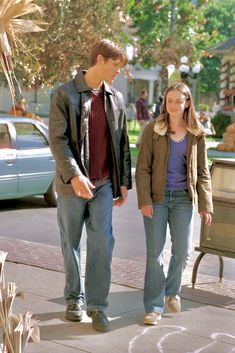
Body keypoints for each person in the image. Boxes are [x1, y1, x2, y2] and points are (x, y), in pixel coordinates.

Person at [49, 39, 132, 332]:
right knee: (70, 243)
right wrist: (74, 175)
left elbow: (121, 143)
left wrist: (123, 182)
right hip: (72, 185)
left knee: (102, 245)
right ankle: (74, 299)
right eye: (115, 66)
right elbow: (57, 141)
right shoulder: (64, 94)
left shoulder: (116, 98)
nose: (118, 73)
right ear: (99, 59)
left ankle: (97, 306)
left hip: (104, 184)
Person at [135, 82, 213, 325]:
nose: (173, 105)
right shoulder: (153, 129)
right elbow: (142, 169)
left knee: (183, 251)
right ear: (165, 103)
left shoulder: (196, 134)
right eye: (169, 101)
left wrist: (205, 204)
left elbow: (202, 171)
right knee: (154, 255)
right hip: (157, 200)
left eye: (178, 101)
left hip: (183, 199)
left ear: (187, 102)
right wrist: (144, 200)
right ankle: (153, 307)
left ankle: (171, 291)